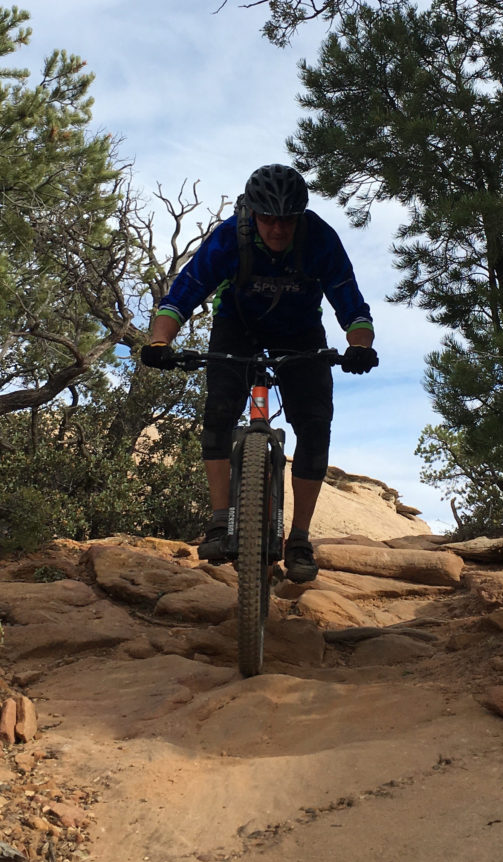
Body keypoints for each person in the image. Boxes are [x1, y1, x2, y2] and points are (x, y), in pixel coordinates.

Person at [140, 163, 377, 583]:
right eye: (269, 218)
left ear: (300, 216)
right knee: (218, 413)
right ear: (252, 213)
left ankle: (300, 538)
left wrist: (360, 348)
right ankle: (219, 520)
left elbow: (352, 306)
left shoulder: (319, 238)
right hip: (238, 328)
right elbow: (183, 295)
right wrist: (160, 344)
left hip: (301, 334)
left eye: (288, 219)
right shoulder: (231, 236)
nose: (279, 229)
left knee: (316, 424)